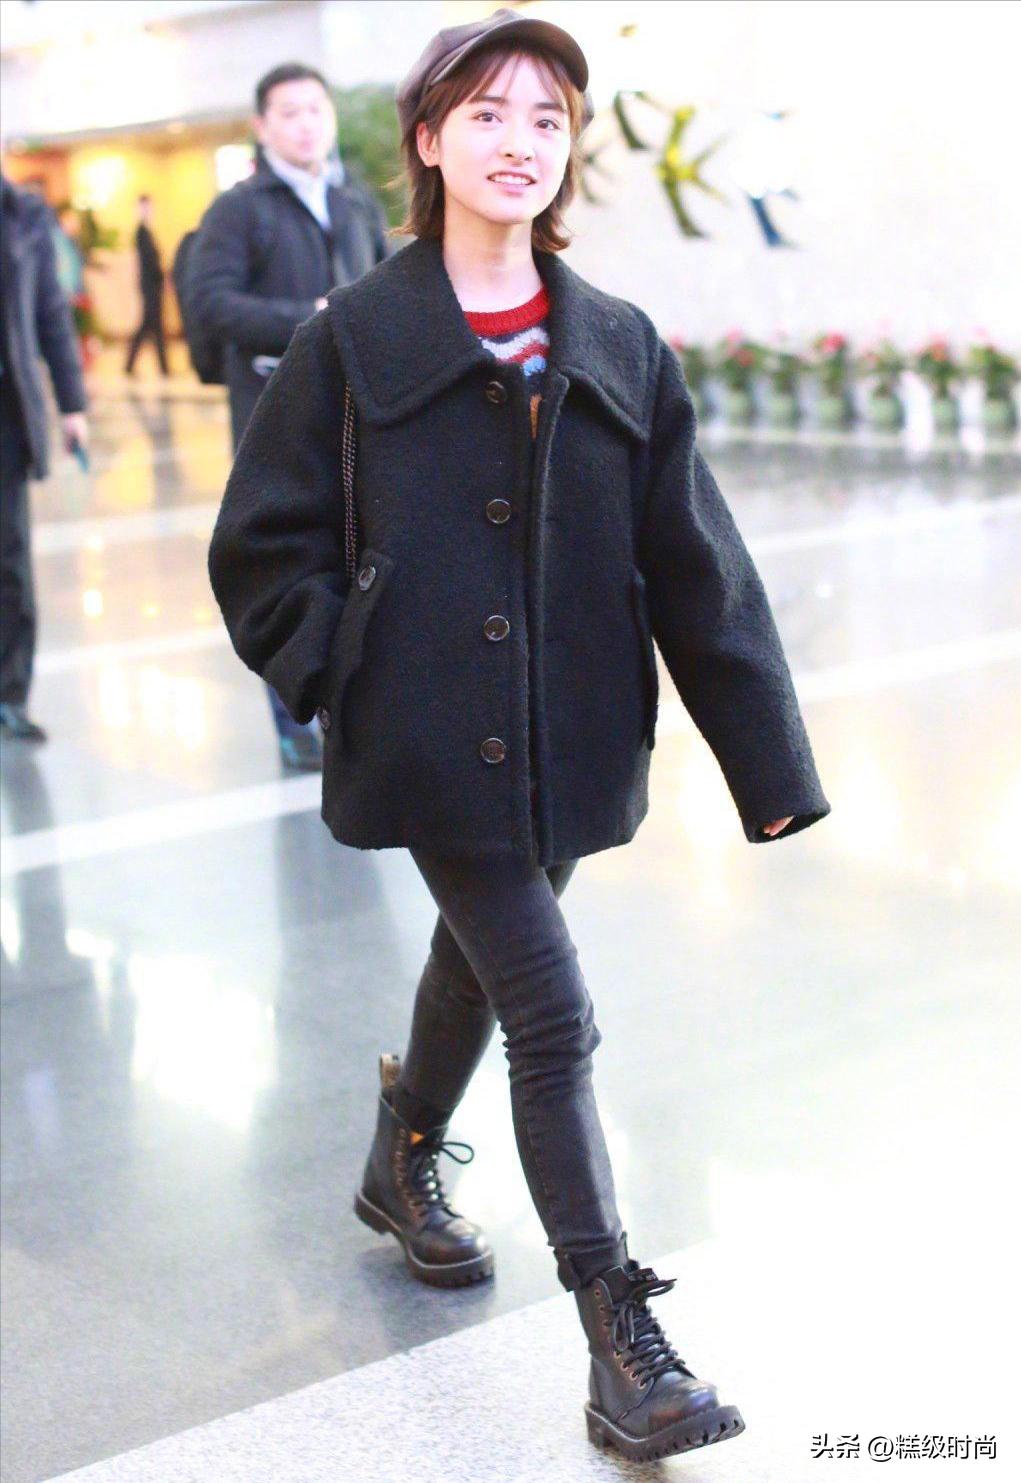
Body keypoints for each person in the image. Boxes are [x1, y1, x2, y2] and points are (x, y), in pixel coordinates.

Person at [207, 8, 832, 1463]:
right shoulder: (353, 336)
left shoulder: (617, 342)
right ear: (427, 140)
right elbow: (258, 545)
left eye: (546, 118)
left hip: (576, 738)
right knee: (552, 1013)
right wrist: (349, 669)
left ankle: (401, 1154)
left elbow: (696, 564)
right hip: (433, 742)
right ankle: (620, 1340)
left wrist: (769, 766)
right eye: (486, 113)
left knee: (475, 960)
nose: (519, 141)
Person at [188, 62, 394, 771]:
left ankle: (352, 704)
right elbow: (211, 304)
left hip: (363, 412)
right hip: (274, 412)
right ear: (262, 126)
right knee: (287, 564)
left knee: (360, 555)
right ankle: (293, 717)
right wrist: (308, 319)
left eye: (316, 110)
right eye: (290, 112)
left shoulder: (354, 200)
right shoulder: (239, 210)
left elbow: (392, 287)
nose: (306, 124)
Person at [1, 171, 88, 743]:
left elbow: (51, 313)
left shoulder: (23, 214)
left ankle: (9, 694)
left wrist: (72, 403)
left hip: (6, 412)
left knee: (9, 559)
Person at [124, 195, 169, 377]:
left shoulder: (147, 231)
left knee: (153, 327)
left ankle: (163, 367)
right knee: (150, 326)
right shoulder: (141, 232)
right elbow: (150, 261)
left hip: (153, 285)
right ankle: (161, 367)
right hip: (150, 286)